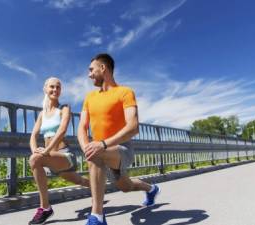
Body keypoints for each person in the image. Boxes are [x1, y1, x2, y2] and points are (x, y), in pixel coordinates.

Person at [78, 53, 160, 225]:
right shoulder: (89, 97)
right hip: (100, 150)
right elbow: (82, 127)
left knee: (96, 154)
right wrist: (87, 146)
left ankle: (97, 217)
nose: (89, 74)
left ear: (103, 68)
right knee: (126, 187)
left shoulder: (124, 92)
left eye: (91, 69)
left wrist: (102, 144)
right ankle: (151, 189)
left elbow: (133, 126)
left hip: (121, 149)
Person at [29, 77, 90, 225]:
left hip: (64, 156)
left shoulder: (64, 108)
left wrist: (45, 151)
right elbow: (33, 135)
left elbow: (62, 131)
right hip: (51, 159)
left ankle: (45, 208)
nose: (55, 90)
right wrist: (35, 149)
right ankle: (100, 187)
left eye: (58, 87)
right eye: (52, 87)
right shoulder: (42, 114)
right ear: (45, 89)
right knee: (81, 181)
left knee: (34, 160)